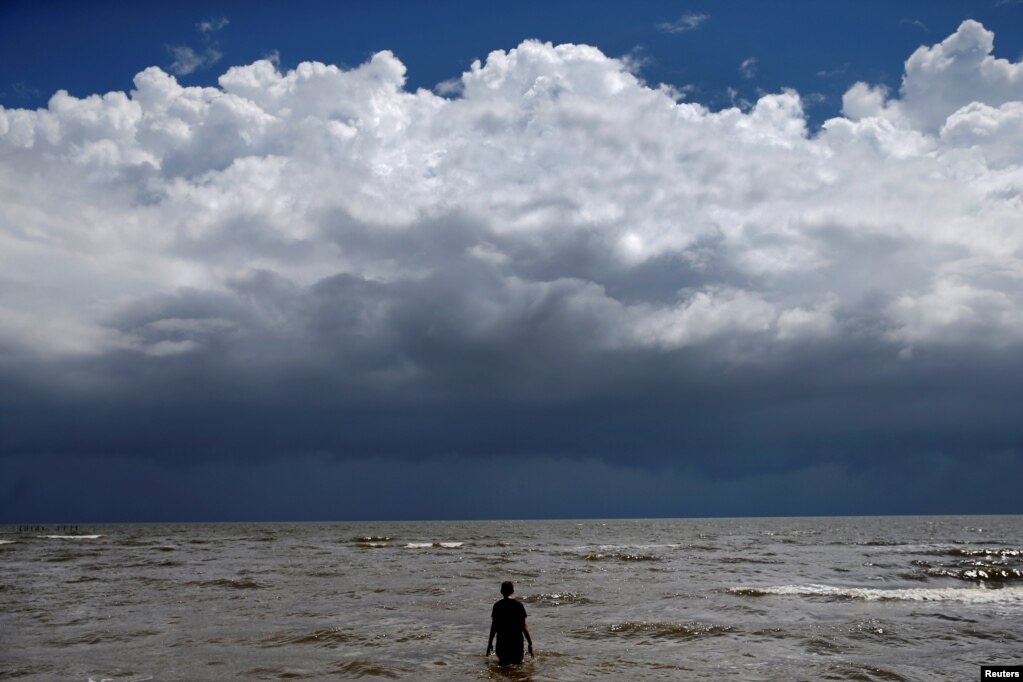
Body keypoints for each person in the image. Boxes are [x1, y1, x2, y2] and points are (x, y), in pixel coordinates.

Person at [486, 581, 534, 665]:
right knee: (518, 668)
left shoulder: (497, 606)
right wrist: (530, 643)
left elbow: (494, 626)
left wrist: (490, 643)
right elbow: (524, 626)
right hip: (516, 643)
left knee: (502, 668)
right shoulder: (518, 605)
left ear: (501, 591)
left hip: (502, 642)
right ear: (513, 591)